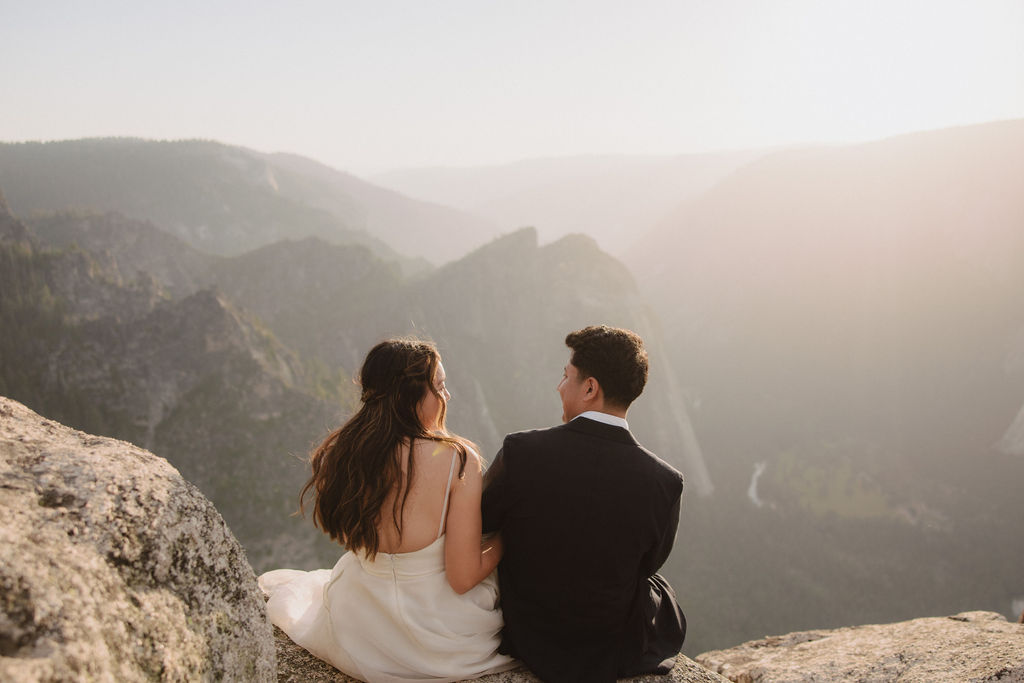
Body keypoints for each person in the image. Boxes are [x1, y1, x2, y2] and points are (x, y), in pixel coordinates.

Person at [259, 339, 517, 683]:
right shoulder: (457, 459)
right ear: (408, 394)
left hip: (359, 626)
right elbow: (462, 576)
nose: (448, 396)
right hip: (438, 639)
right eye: (439, 386)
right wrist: (507, 537)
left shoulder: (345, 451)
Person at [481, 325, 686, 683]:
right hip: (607, 645)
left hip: (527, 633)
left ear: (590, 388)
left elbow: (482, 522)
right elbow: (649, 563)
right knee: (660, 591)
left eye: (566, 376)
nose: (559, 386)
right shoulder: (664, 482)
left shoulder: (521, 451)